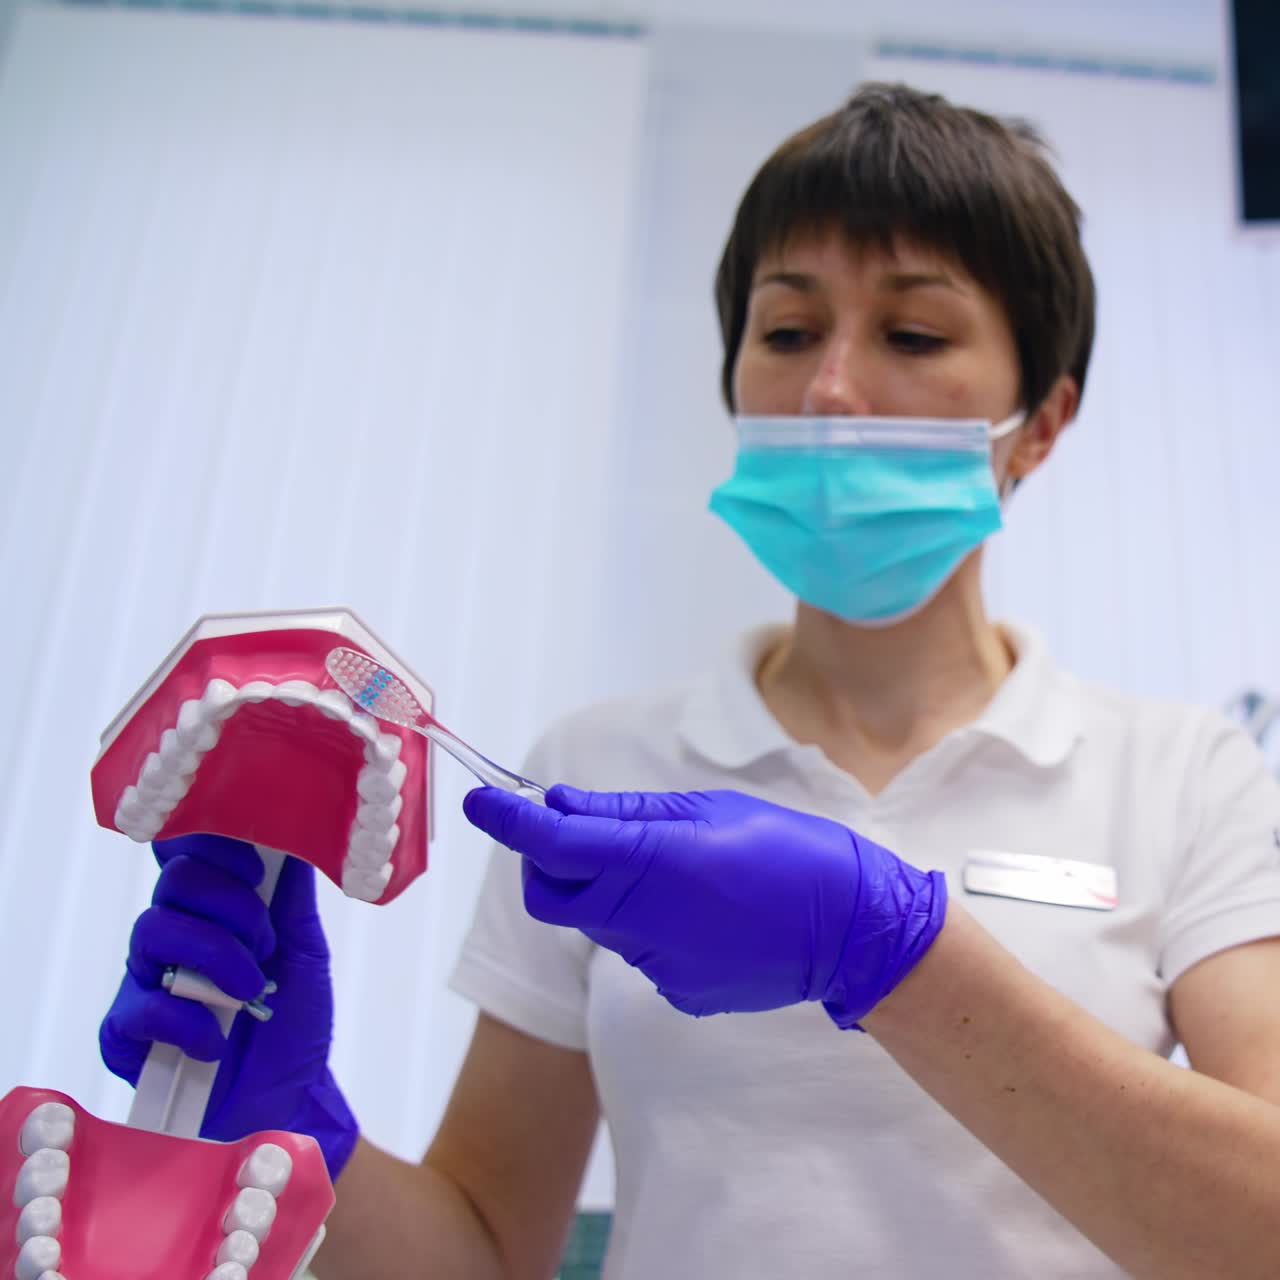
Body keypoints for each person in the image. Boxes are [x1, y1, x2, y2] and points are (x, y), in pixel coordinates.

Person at [100, 83, 1280, 1278]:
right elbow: (483, 1249)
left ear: (1040, 421)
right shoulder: (596, 772)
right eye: (785, 332)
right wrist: (300, 1138)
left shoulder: (1182, 777)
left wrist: (895, 956)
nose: (828, 389)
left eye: (912, 335)